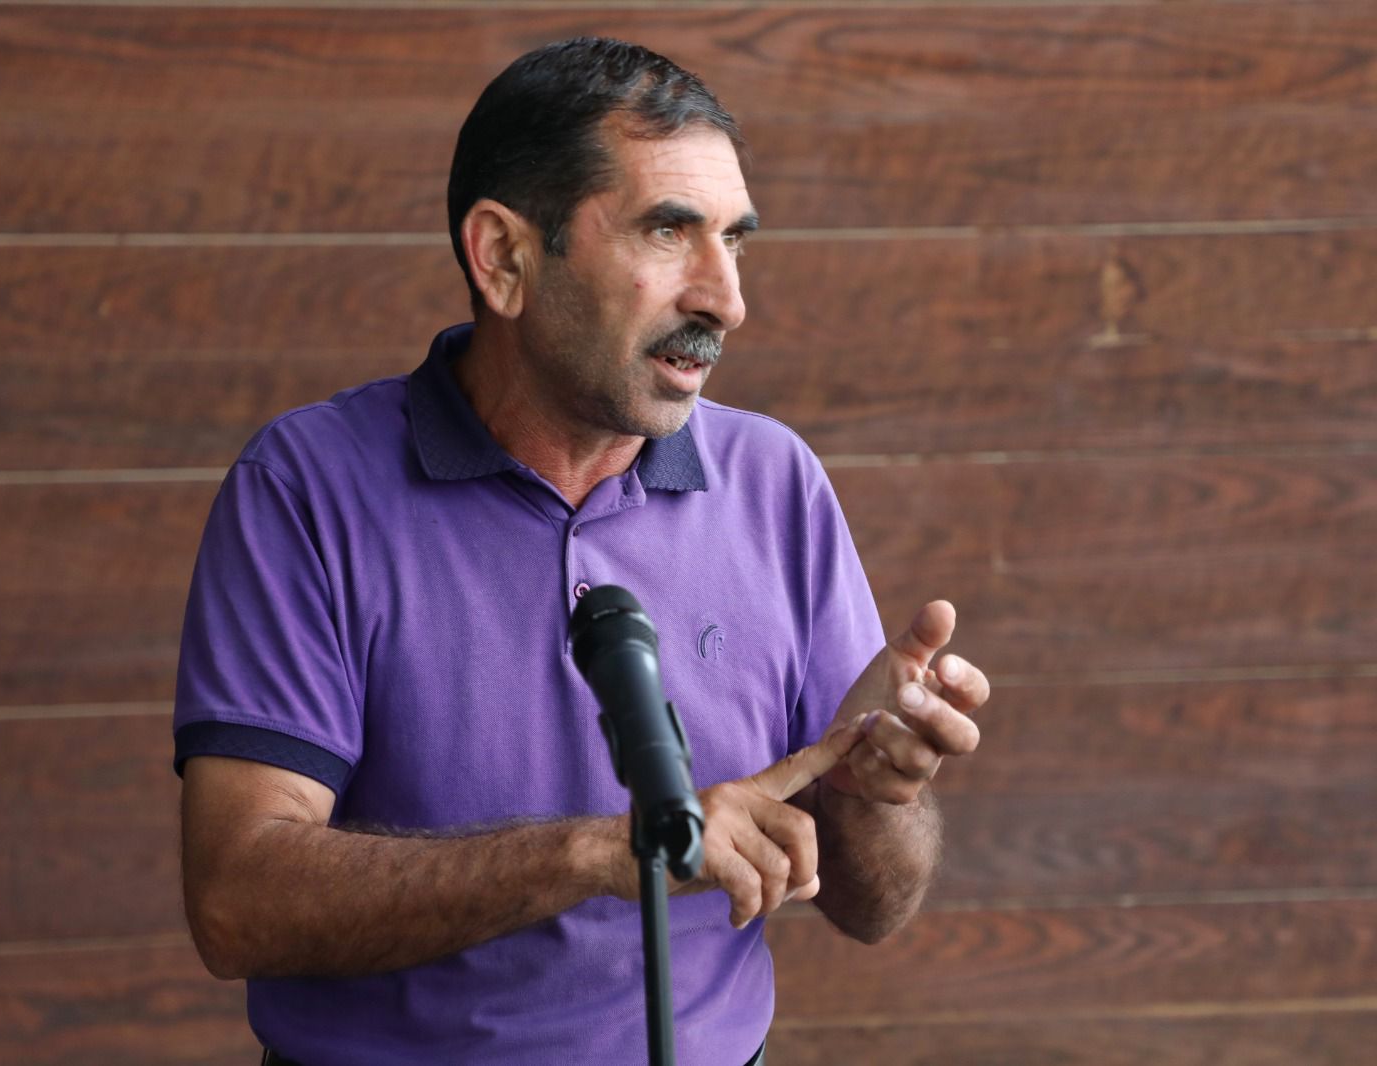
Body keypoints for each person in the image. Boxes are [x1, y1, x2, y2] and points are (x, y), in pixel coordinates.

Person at [173, 37, 990, 1066]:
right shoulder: (306, 486)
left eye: (735, 242)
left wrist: (874, 793)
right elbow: (237, 901)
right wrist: (601, 852)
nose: (725, 299)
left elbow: (876, 907)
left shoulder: (774, 480)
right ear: (504, 258)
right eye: (668, 232)